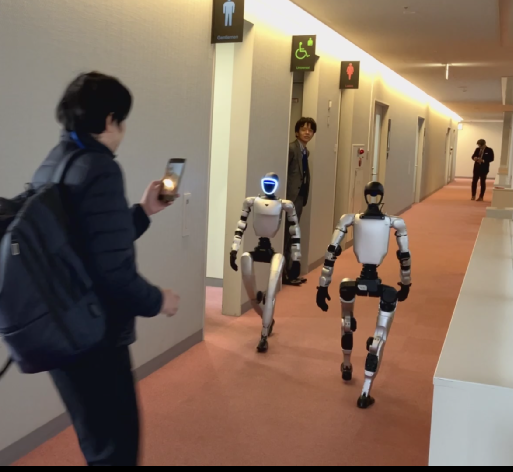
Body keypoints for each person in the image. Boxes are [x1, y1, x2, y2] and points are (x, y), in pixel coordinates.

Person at [32, 72, 181, 466]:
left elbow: (89, 244)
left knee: (98, 443)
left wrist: (144, 211)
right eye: (122, 120)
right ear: (110, 119)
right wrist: (159, 300)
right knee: (117, 449)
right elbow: (113, 272)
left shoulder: (54, 164)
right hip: (94, 336)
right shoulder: (100, 168)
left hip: (62, 329)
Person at [284, 117, 317, 286]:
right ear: (297, 132)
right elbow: (285, 173)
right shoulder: (291, 149)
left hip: (299, 199)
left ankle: (291, 273)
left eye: (310, 130)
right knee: (288, 236)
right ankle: (286, 274)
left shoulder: (305, 151)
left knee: (294, 235)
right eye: (304, 129)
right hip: (290, 198)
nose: (307, 133)